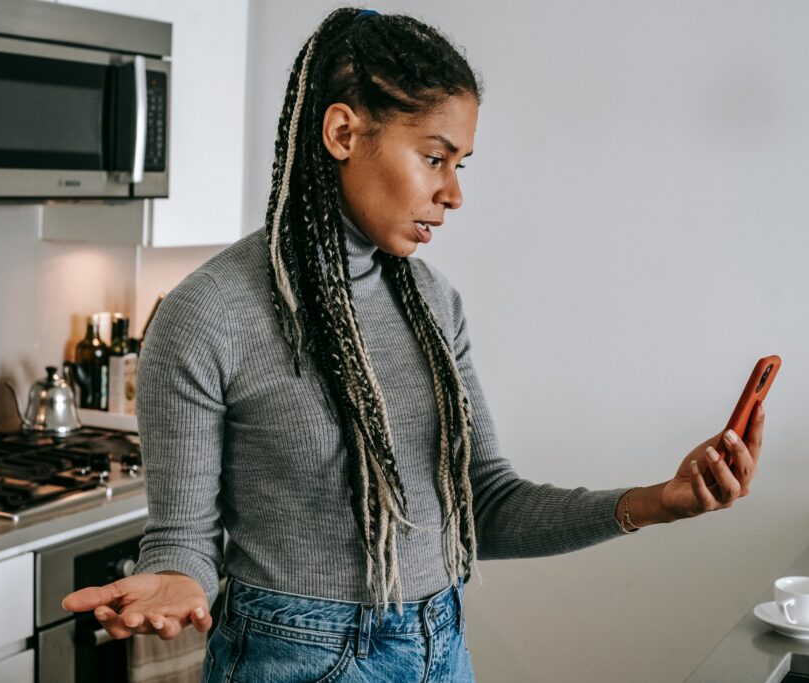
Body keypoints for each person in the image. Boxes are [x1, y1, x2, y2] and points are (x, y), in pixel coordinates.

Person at [62, 8, 766, 682]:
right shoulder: (208, 314)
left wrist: (658, 501)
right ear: (343, 132)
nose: (453, 192)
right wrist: (176, 581)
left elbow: (483, 503)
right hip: (295, 659)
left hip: (441, 646)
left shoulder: (434, 304)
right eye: (435, 157)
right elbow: (182, 536)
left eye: (461, 164)